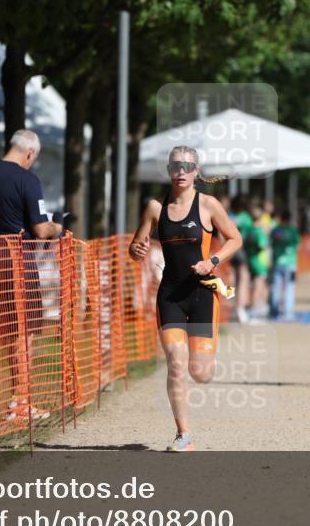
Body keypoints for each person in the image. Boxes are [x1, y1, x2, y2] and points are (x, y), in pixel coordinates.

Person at [128, 146, 242, 452]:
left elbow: (235, 238)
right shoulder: (155, 207)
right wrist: (136, 250)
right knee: (176, 364)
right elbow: (136, 246)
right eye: (176, 165)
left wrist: (213, 262)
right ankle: (184, 434)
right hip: (171, 295)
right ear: (168, 169)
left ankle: (207, 360)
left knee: (199, 372)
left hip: (203, 293)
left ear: (196, 171)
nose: (181, 171)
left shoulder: (208, 205)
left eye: (187, 166)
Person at [0, 129, 62, 424]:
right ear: (29, 153)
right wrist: (58, 228)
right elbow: (42, 230)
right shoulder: (27, 180)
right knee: (25, 330)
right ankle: (19, 402)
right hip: (16, 263)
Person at [269, 209, 301, 320]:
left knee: (275, 287)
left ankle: (274, 312)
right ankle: (287, 313)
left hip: (277, 263)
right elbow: (297, 247)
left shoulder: (275, 231)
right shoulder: (293, 231)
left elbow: (271, 244)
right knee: (289, 288)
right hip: (290, 263)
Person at [229, 195, 253, 323]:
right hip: (241, 249)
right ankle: (240, 308)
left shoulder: (228, 215)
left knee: (231, 278)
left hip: (228, 249)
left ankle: (231, 305)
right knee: (242, 279)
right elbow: (251, 234)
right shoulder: (245, 217)